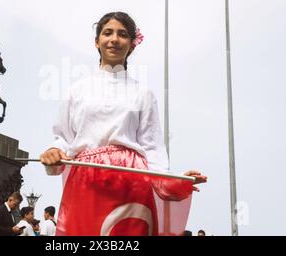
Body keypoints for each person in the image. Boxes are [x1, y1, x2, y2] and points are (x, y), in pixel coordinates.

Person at [40, 12, 207, 236]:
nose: (114, 39)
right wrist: (54, 152)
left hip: (132, 186)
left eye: (122, 34)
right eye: (107, 33)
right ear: (97, 41)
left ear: (132, 44)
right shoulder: (77, 90)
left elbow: (152, 148)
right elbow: (63, 138)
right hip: (86, 183)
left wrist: (175, 181)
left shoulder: (143, 93)